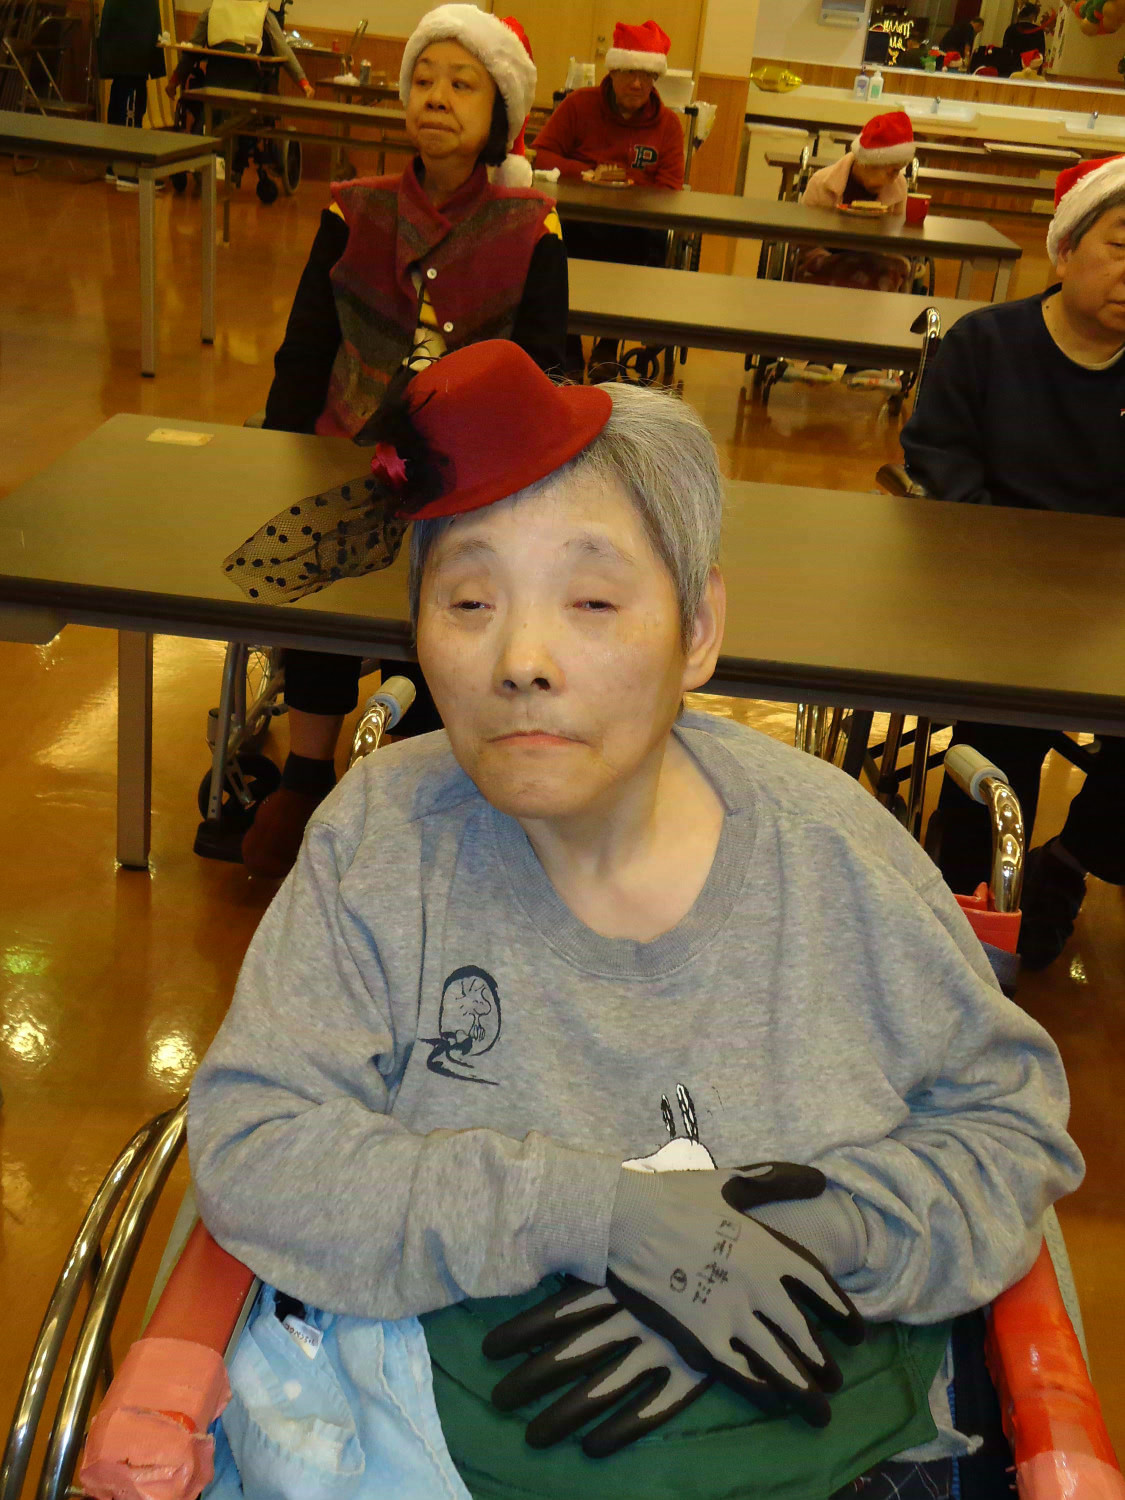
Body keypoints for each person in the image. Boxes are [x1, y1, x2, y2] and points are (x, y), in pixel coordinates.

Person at [193, 338, 1083, 1500]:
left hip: (822, 1447)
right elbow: (257, 1146)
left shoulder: (835, 858)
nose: (521, 660)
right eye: (468, 601)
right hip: (445, 1446)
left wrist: (804, 1241)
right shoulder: (384, 843)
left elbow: (1008, 1131)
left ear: (696, 629)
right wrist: (602, 1216)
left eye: (594, 601)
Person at [238, 4, 568, 882]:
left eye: (462, 84)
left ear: (499, 112)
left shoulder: (532, 225)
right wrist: (277, 452)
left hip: (471, 473)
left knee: (446, 614)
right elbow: (307, 347)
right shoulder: (354, 209)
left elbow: (549, 367)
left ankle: (414, 777)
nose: (436, 97)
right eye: (423, 79)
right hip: (345, 451)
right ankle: (306, 771)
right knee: (322, 588)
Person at [901, 154, 1125, 970]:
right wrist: (1018, 569)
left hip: (1109, 605)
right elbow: (938, 463)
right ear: (1064, 251)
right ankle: (971, 896)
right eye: (1120, 246)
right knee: (1006, 725)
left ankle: (1067, 859)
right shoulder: (985, 345)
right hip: (992, 597)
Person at [532, 18, 684, 381]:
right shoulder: (578, 105)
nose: (637, 83)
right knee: (555, 241)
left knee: (648, 243)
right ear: (613, 71)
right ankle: (568, 346)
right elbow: (542, 155)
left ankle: (609, 345)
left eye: (646, 76)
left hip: (632, 227)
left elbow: (669, 188)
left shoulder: (668, 126)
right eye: (629, 72)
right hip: (578, 220)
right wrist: (587, 173)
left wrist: (629, 187)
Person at [793, 110, 915, 390]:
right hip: (826, 254)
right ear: (868, 162)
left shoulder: (898, 188)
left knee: (880, 276)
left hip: (876, 257)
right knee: (836, 277)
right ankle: (822, 355)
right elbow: (803, 235)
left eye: (898, 171)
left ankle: (862, 359)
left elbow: (897, 238)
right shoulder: (823, 183)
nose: (896, 177)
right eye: (891, 170)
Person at [165, 0, 316, 102]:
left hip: (214, 82)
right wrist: (303, 83)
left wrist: (174, 81)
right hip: (247, 85)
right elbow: (283, 50)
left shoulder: (212, 10)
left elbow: (191, 50)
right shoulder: (263, 14)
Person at [96, 0, 166, 189]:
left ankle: (115, 164)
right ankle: (127, 170)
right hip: (133, 47)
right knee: (131, 107)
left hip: (122, 43)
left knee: (119, 100)